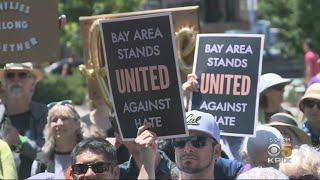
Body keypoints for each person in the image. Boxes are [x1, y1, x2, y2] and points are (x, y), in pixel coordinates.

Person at [0, 62, 48, 179]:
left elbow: (48, 155)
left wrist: (20, 142)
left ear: (32, 83)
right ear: (3, 83)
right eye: (10, 75)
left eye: (22, 75)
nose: (16, 80)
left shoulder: (47, 115)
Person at [30, 101, 83, 179]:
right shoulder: (41, 162)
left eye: (64, 118)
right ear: (48, 127)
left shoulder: (90, 156)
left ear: (77, 124)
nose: (59, 123)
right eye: (54, 120)